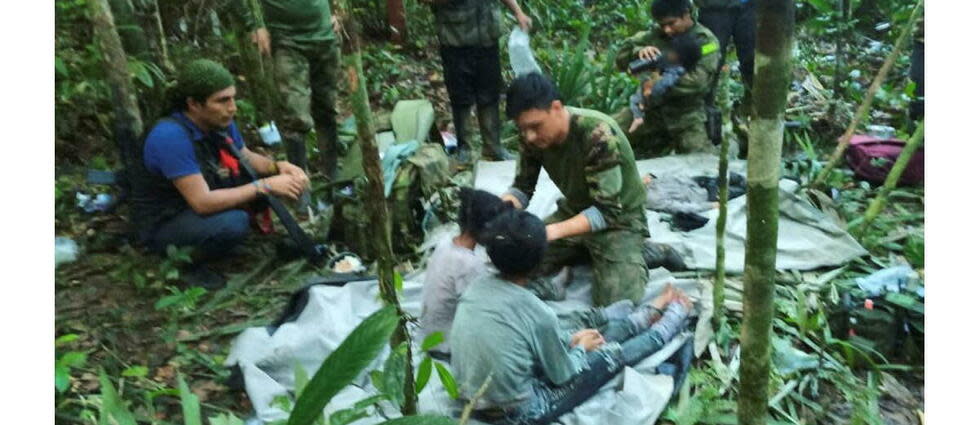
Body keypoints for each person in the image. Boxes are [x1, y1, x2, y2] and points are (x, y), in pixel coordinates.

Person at [451, 209, 692, 424]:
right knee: (609, 355)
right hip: (518, 414)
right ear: (538, 262)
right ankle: (669, 321)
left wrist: (573, 341)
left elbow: (522, 340)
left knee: (586, 337)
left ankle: (642, 318)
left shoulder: (476, 287)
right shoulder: (537, 312)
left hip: (477, 398)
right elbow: (562, 374)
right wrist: (579, 349)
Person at [130, 59, 309, 289]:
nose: (232, 107)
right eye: (222, 101)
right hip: (166, 220)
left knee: (253, 183)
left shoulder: (219, 121)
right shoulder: (170, 136)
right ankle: (184, 264)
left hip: (200, 196)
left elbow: (244, 156)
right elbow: (202, 203)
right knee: (234, 223)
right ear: (193, 104)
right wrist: (266, 185)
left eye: (233, 98)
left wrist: (278, 167)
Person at [501, 72, 649, 307]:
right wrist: (504, 208)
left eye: (535, 127)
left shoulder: (597, 134)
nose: (529, 136)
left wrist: (551, 232)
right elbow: (522, 187)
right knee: (513, 260)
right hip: (575, 210)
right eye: (523, 129)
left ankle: (645, 252)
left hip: (620, 220)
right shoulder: (531, 136)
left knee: (618, 303)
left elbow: (607, 211)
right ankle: (585, 251)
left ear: (557, 108)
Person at [238, 0, 343, 212]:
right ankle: (299, 186)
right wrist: (254, 26)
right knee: (295, 117)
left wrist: (338, 10)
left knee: (328, 110)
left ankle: (333, 178)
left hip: (324, 36)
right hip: (287, 41)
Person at [428, 0, 533, 162]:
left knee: (490, 94)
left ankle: (493, 147)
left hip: (487, 38)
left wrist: (518, 12)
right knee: (460, 97)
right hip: (455, 39)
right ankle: (465, 149)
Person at [614, 0, 721, 155]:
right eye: (662, 25)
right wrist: (638, 52)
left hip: (686, 116)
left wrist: (656, 84)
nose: (667, 30)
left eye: (672, 23)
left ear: (686, 14)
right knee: (605, 134)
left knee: (702, 164)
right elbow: (620, 59)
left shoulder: (705, 41)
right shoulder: (655, 34)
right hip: (650, 111)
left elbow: (697, 82)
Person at [420, 188, 509, 356]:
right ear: (487, 229)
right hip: (445, 344)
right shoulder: (469, 264)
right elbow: (484, 309)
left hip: (428, 334)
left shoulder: (446, 242)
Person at [626, 33, 704, 135]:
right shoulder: (670, 63)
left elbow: (663, 84)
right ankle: (639, 112)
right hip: (654, 97)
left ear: (680, 56)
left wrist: (649, 91)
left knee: (634, 100)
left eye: (672, 52)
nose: (669, 53)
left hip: (661, 103)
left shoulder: (676, 71)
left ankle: (638, 117)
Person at [695, 0, 756, 106]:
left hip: (751, 6)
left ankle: (756, 109)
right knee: (710, 55)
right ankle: (704, 112)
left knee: (753, 59)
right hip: (714, 7)